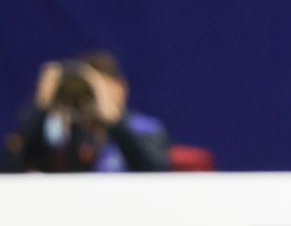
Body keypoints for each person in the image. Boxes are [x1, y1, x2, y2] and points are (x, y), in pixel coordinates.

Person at [2, 51, 169, 173]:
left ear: (121, 88)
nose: (94, 97)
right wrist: (40, 107)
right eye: (89, 91)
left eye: (101, 89)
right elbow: (9, 169)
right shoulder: (61, 134)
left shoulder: (145, 129)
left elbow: (156, 173)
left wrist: (114, 121)